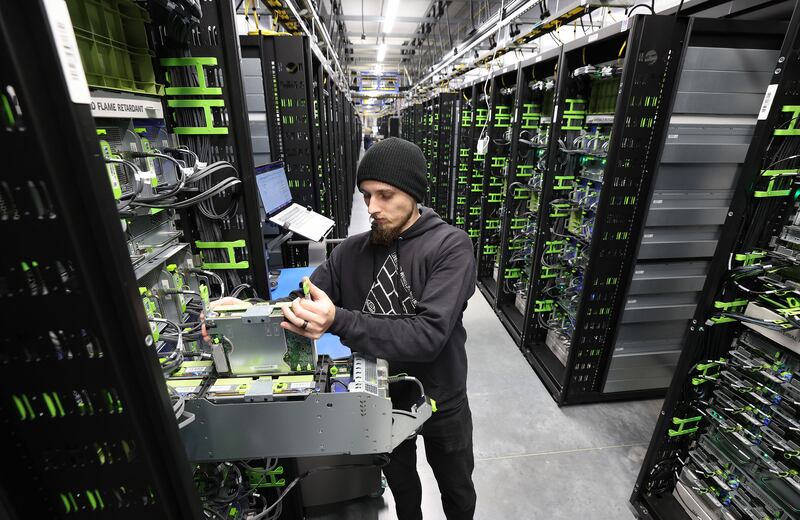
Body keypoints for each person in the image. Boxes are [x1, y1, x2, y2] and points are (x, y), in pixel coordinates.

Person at [280, 137, 477, 520]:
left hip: (441, 398)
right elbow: (303, 298)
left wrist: (338, 319)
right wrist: (251, 312)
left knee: (457, 490)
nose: (372, 207)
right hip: (381, 398)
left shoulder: (450, 247)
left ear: (414, 193)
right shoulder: (349, 253)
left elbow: (428, 336)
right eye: (367, 195)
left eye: (385, 195)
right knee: (403, 487)